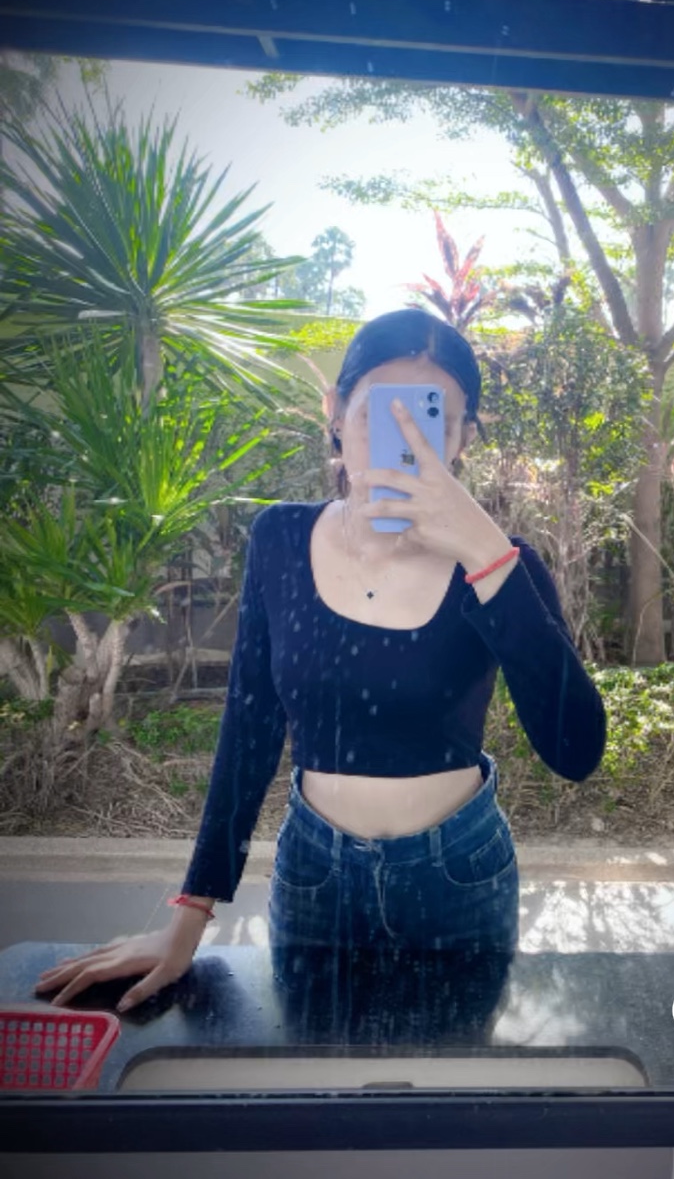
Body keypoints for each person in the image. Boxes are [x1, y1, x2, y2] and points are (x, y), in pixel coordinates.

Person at [35, 309, 606, 1013]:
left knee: (455, 1078)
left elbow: (575, 751)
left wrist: (486, 554)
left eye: (433, 423)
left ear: (462, 438)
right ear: (334, 413)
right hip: (314, 873)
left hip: (459, 875)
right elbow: (249, 729)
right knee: (307, 1075)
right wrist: (188, 917)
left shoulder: (500, 565)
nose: (403, 443)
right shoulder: (279, 539)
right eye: (378, 416)